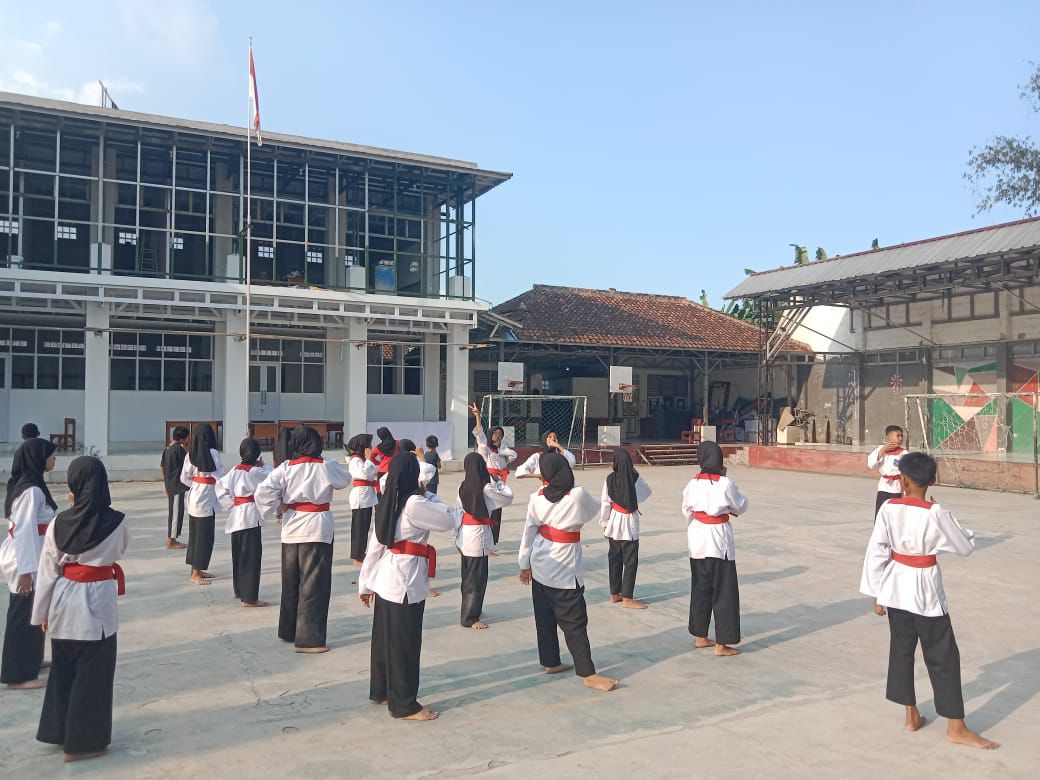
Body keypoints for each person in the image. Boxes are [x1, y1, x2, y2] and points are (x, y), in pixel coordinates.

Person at [860, 452, 999, 750]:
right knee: (943, 656)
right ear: (933, 480)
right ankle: (956, 727)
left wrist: (877, 594)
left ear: (903, 480)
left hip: (895, 586)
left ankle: (910, 716)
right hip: (924, 590)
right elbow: (964, 547)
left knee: (902, 650)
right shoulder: (935, 513)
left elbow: (876, 550)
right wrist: (944, 516)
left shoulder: (888, 508)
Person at [32, 456, 129, 762]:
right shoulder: (117, 521)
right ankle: (83, 742)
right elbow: (121, 549)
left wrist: (41, 614)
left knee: (64, 668)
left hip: (63, 599)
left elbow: (47, 571)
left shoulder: (60, 522)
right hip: (98, 600)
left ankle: (59, 731)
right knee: (93, 673)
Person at [359, 450, 454, 720]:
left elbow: (375, 545)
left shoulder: (389, 500)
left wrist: (365, 584)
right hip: (405, 581)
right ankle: (404, 705)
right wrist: (428, 493)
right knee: (405, 643)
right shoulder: (415, 503)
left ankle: (382, 690)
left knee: (383, 640)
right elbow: (447, 519)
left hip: (386, 577)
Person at [517, 452, 617, 692]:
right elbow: (592, 511)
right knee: (574, 620)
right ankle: (588, 673)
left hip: (540, 561)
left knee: (544, 616)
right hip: (564, 563)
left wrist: (524, 564)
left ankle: (550, 661)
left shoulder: (537, 497)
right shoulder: (576, 495)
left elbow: (528, 532)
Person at [255, 426, 350, 653]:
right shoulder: (326, 466)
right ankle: (309, 639)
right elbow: (345, 479)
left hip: (291, 525)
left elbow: (261, 491)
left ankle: (289, 630)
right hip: (317, 527)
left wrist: (279, 505)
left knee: (291, 582)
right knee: (313, 584)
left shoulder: (286, 467)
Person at [681, 440, 748, 657]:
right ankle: (722, 643)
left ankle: (700, 636)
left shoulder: (692, 483)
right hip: (719, 540)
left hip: (698, 537)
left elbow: (686, 510)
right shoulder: (725, 483)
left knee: (701, 588)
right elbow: (741, 505)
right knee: (724, 591)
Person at [1, 437, 57, 689]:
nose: (53, 459)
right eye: (50, 455)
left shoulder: (31, 484)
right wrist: (26, 571)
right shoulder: (31, 490)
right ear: (38, 458)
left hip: (34, 553)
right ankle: (17, 676)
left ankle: (33, 658)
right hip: (26, 557)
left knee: (35, 609)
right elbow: (24, 530)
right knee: (22, 612)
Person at [453, 453, 513, 629]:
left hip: (465, 535)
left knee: (468, 577)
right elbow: (508, 498)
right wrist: (498, 481)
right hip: (478, 536)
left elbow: (457, 513)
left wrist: (456, 537)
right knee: (477, 579)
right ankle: (470, 617)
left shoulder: (462, 487)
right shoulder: (486, 488)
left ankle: (471, 609)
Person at [216, 438, 270, 607]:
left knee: (238, 556)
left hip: (236, 513)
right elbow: (273, 475)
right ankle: (249, 597)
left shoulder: (234, 470)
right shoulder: (255, 471)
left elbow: (220, 487)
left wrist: (232, 503)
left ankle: (239, 589)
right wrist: (263, 465)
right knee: (251, 558)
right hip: (250, 516)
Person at [600, 449, 653, 609]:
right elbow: (646, 493)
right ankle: (627, 598)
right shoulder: (635, 478)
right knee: (630, 561)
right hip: (629, 523)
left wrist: (604, 524)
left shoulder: (609, 479)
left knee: (614, 559)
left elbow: (605, 502)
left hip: (614, 522)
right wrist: (634, 472)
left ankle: (614, 593)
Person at [179, 424, 224, 585]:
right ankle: (195, 572)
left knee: (195, 535)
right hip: (206, 497)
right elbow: (220, 475)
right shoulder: (213, 453)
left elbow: (184, 477)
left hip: (194, 496)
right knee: (204, 537)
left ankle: (196, 569)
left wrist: (196, 484)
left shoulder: (190, 454)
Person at [470, 402, 517, 551]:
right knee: (487, 510)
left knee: (497, 512)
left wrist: (501, 451)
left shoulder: (502, 449)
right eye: (496, 433)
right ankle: (484, 540)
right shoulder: (485, 447)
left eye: (500, 433)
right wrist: (478, 416)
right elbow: (479, 433)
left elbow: (514, 455)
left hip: (500, 483)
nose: (498, 435)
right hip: (487, 480)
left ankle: (493, 542)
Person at [346, 433, 378, 565]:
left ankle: (361, 552)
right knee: (359, 527)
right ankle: (357, 555)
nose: (370, 447)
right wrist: (369, 459)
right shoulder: (355, 460)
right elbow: (364, 474)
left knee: (364, 527)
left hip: (366, 496)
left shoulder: (362, 460)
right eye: (368, 444)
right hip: (361, 496)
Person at [159, 426, 189, 550]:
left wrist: (166, 482)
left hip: (170, 484)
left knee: (174, 511)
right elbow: (188, 465)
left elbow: (162, 467)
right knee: (176, 512)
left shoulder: (167, 449)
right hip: (177, 486)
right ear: (182, 439)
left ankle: (173, 538)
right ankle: (171, 540)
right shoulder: (179, 450)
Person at [867, 425, 907, 517]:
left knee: (894, 515)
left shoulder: (904, 453)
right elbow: (870, 465)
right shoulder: (881, 449)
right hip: (883, 487)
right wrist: (882, 450)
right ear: (889, 437)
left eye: (902, 436)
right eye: (898, 436)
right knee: (881, 513)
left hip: (897, 487)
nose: (900, 439)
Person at [272, 427, 295, 523]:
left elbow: (274, 459)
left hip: (278, 470)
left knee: (278, 493)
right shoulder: (291, 445)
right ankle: (287, 510)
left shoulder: (276, 445)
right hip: (289, 471)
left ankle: (278, 514)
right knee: (288, 492)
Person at [370, 427, 399, 494]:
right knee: (393, 490)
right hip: (394, 470)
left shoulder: (378, 448)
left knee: (380, 490)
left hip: (382, 471)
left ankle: (380, 504)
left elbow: (370, 457)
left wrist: (379, 463)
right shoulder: (398, 443)